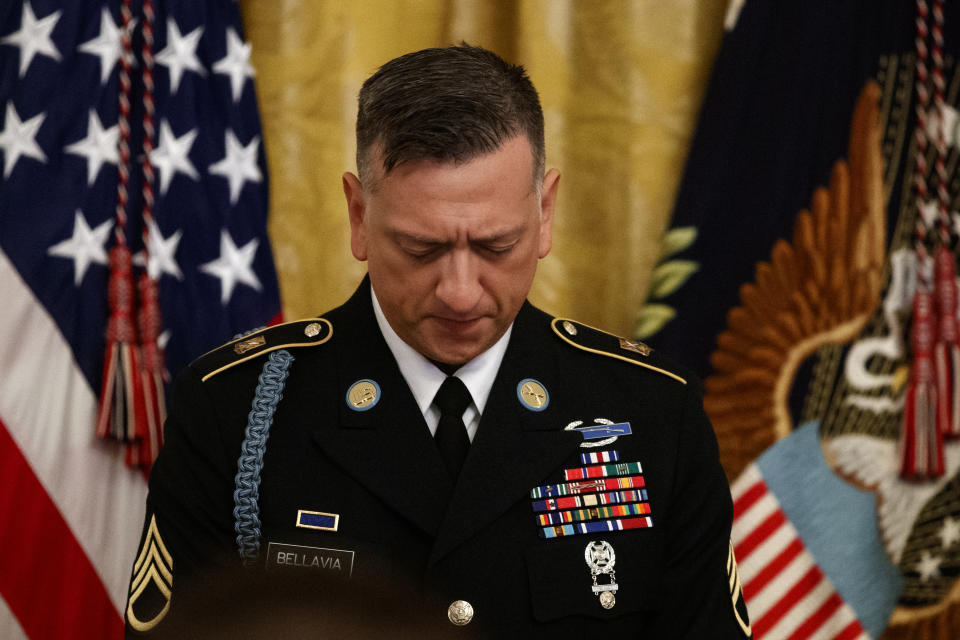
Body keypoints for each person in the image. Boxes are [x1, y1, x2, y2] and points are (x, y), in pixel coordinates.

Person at [125, 44, 752, 638]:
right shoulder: (233, 412)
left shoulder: (651, 415)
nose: (459, 291)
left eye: (495, 246)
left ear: (545, 212)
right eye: (422, 248)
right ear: (359, 215)